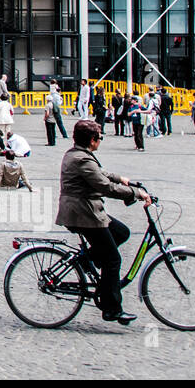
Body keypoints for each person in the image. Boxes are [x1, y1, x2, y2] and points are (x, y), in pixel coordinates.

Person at [55, 119, 151, 325]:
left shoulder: (77, 154)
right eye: (100, 137)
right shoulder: (82, 159)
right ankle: (111, 308)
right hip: (83, 214)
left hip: (86, 211)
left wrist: (121, 178)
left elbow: (101, 174)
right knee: (113, 260)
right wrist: (136, 193)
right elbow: (105, 187)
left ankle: (85, 261)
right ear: (92, 140)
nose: (100, 141)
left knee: (121, 232)